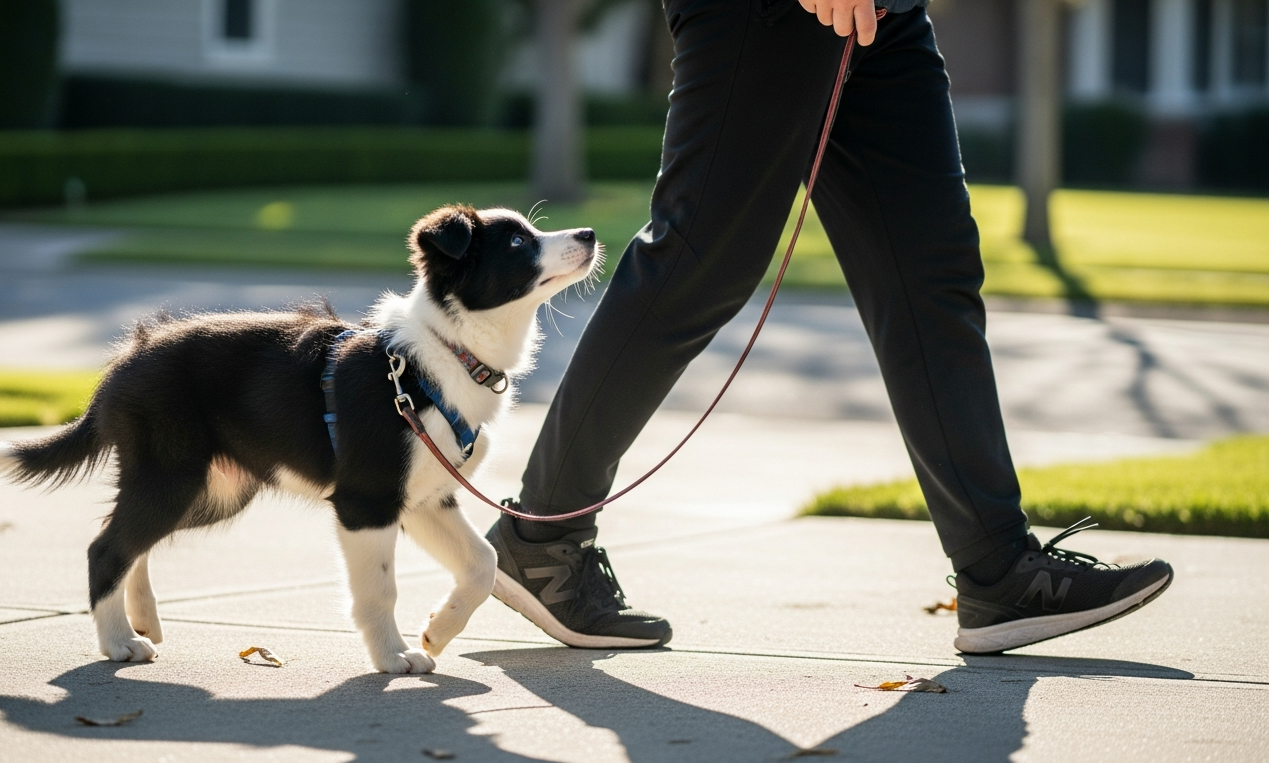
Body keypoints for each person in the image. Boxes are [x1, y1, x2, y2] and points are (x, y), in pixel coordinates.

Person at [485, 0, 1173, 654]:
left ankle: (998, 571)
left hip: (888, 17)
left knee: (929, 269)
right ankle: (544, 538)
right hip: (770, 14)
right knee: (700, 261)